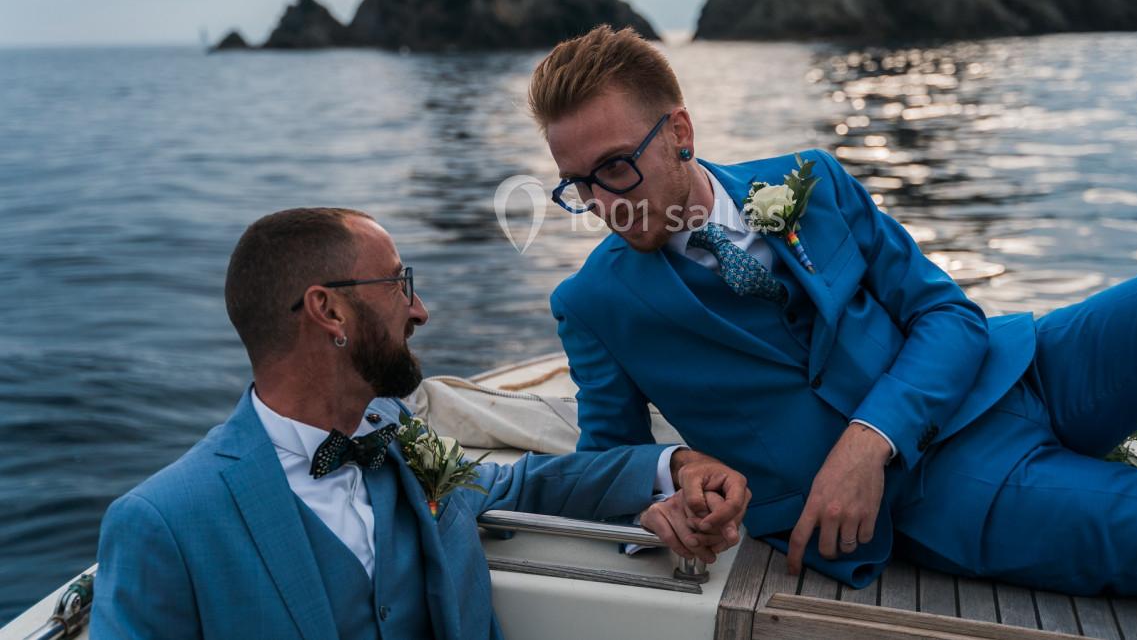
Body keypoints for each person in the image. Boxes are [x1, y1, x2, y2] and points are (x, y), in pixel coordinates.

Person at [529, 25, 1137, 600]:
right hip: (945, 490)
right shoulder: (594, 303)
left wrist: (867, 439)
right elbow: (606, 459)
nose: (603, 203)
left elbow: (949, 315)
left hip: (1020, 368)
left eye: (616, 168)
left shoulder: (811, 179)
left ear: (681, 135)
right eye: (577, 186)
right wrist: (663, 501)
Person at [93, 207, 748, 640]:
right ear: (329, 312)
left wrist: (675, 466)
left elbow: (519, 487)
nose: (421, 311)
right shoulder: (163, 524)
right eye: (400, 285)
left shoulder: (398, 436)